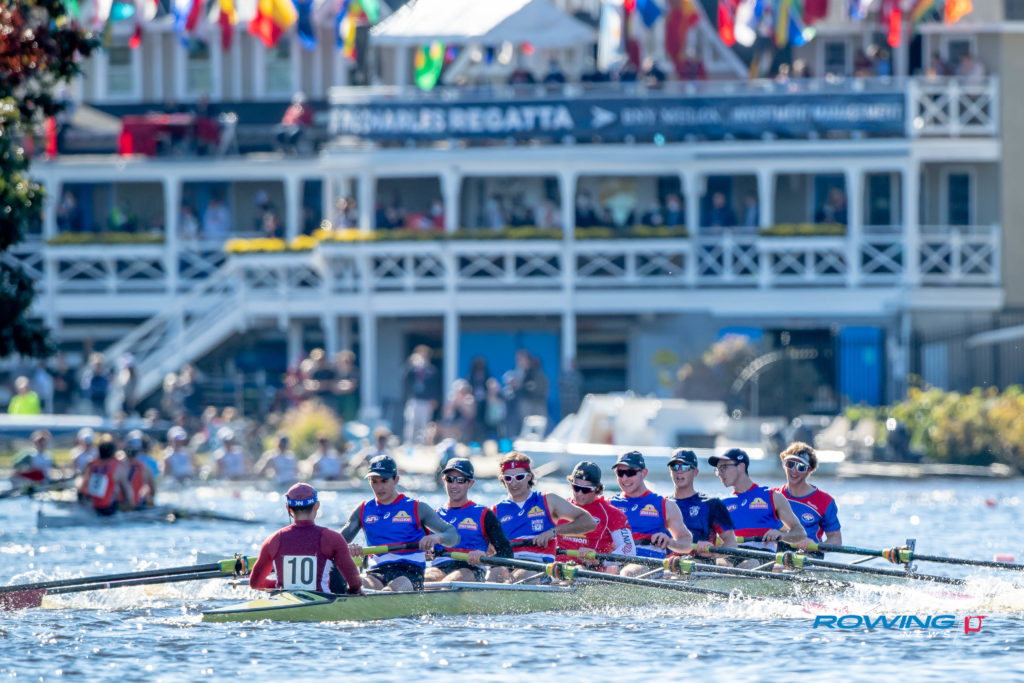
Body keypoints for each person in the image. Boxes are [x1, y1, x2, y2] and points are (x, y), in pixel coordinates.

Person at [340, 454, 460, 591]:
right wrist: (348, 547)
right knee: (354, 588)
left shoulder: (417, 508)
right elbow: (336, 542)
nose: (379, 487)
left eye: (384, 481)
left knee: (389, 592)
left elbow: (453, 535)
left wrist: (437, 537)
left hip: (410, 573)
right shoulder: (363, 510)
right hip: (376, 572)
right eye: (374, 481)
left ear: (396, 479)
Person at [491, 451, 596, 582]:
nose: (513, 483)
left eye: (519, 477)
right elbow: (485, 547)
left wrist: (553, 532)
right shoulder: (495, 510)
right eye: (508, 478)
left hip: (539, 567)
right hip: (507, 563)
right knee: (492, 575)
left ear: (529, 476)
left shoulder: (548, 500)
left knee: (521, 576)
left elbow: (589, 522)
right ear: (502, 479)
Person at [250, 483, 363, 595]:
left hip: (283, 601)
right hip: (323, 601)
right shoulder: (333, 538)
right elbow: (355, 583)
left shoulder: (272, 540)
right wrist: (353, 592)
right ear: (316, 505)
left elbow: (255, 583)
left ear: (288, 508)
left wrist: (279, 586)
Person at [709, 448, 806, 568]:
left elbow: (800, 533)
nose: (720, 473)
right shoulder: (722, 504)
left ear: (741, 466)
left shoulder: (772, 496)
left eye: (724, 467)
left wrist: (781, 535)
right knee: (717, 564)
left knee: (749, 565)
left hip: (762, 557)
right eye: (718, 470)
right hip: (731, 555)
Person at [425, 458, 514, 583]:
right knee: (427, 579)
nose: (454, 485)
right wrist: (424, 550)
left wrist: (484, 556)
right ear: (444, 480)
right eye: (450, 479)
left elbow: (506, 552)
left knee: (451, 581)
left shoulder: (484, 514)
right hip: (440, 567)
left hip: (471, 568)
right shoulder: (434, 516)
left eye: (460, 480)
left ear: (470, 483)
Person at [608, 451, 694, 576]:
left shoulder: (665, 505)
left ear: (644, 473)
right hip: (615, 561)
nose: (624, 478)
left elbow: (687, 544)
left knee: (627, 573)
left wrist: (670, 542)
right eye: (620, 473)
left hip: (648, 563)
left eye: (630, 473)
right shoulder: (609, 504)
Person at [556, 461, 635, 574]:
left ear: (597, 489)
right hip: (554, 567)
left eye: (585, 489)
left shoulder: (611, 514)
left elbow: (629, 549)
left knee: (578, 571)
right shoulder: (559, 507)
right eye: (576, 487)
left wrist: (600, 560)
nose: (579, 493)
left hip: (587, 571)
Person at [667, 449, 738, 563]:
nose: (679, 471)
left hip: (700, 564)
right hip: (667, 564)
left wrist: (714, 553)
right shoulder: (662, 505)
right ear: (670, 471)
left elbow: (731, 543)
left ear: (695, 472)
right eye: (675, 467)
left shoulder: (712, 504)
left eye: (685, 467)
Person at [774, 442, 841, 553]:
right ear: (784, 464)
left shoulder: (825, 501)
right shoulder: (773, 495)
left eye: (801, 467)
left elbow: (836, 540)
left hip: (808, 554)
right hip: (777, 551)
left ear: (809, 470)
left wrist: (816, 546)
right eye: (790, 464)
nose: (794, 470)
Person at [79, 437, 131, 517]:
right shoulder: (117, 467)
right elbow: (127, 491)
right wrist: (130, 507)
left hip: (90, 508)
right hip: (108, 509)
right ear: (113, 453)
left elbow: (81, 488)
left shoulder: (91, 465)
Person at [402, 345, 441, 445]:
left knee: (424, 425)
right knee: (411, 423)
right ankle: (409, 444)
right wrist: (411, 364)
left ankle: (422, 445)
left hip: (426, 401)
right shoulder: (412, 369)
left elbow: (436, 386)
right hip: (414, 400)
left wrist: (435, 399)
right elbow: (405, 379)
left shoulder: (432, 370)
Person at [120, 431, 156, 509]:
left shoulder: (117, 467)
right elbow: (153, 490)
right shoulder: (145, 468)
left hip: (120, 507)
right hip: (137, 507)